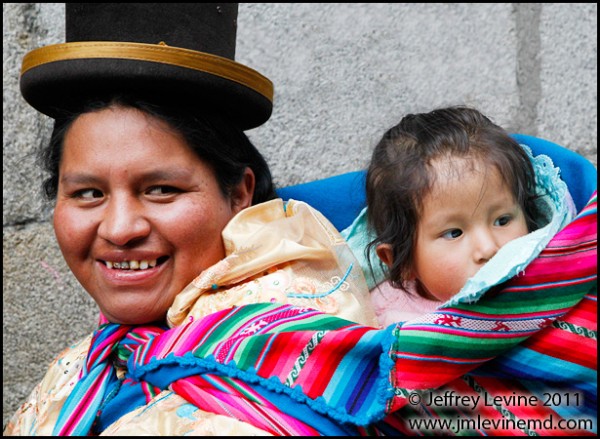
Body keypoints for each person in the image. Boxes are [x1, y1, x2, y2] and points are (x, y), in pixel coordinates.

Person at [5, 4, 377, 436]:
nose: (120, 229)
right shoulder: (84, 368)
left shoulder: (297, 354)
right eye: (89, 194)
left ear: (239, 192)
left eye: (161, 190)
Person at [363, 106, 577, 325]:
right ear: (403, 262)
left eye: (502, 220)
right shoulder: (379, 316)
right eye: (454, 233)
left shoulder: (553, 287)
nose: (488, 249)